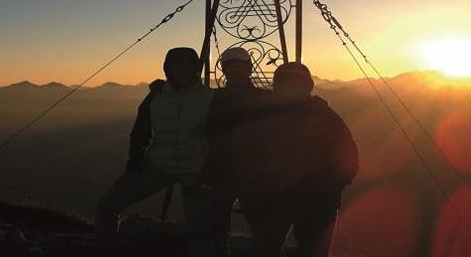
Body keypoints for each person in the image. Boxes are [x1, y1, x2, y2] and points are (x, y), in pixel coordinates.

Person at [95, 47, 215, 256]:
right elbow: (140, 133)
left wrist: (213, 169)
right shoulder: (155, 97)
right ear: (167, 70)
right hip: (158, 166)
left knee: (201, 231)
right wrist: (133, 166)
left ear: (196, 69)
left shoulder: (210, 98)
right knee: (106, 206)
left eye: (187, 66)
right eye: (176, 67)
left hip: (196, 172)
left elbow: (221, 133)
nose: (181, 71)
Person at [230, 62, 359, 257]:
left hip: (311, 201)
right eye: (286, 84)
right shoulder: (264, 116)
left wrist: (330, 187)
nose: (291, 89)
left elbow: (348, 157)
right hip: (279, 200)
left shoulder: (321, 116)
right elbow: (243, 153)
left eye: (296, 84)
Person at [200, 47, 274, 257]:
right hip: (223, 171)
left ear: (248, 69)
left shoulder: (265, 98)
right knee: (219, 225)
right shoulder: (213, 98)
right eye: (231, 67)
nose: (235, 71)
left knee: (259, 226)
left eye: (238, 66)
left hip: (252, 172)